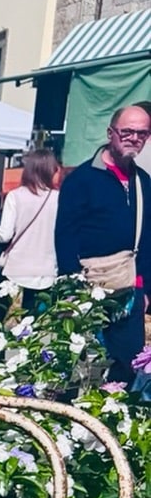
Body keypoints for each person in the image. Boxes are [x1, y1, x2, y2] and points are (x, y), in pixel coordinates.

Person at [55, 103, 151, 382]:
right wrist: (71, 288)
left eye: (142, 134)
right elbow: (65, 236)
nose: (134, 138)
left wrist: (146, 289)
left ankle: (115, 409)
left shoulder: (143, 182)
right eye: (127, 132)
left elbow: (147, 238)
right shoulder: (82, 179)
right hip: (88, 287)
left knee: (127, 366)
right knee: (81, 368)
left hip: (130, 289)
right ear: (111, 133)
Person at [0, 149, 61, 329]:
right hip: (46, 269)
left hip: (16, 267)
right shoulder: (59, 198)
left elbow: (5, 234)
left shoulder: (15, 196)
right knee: (31, 322)